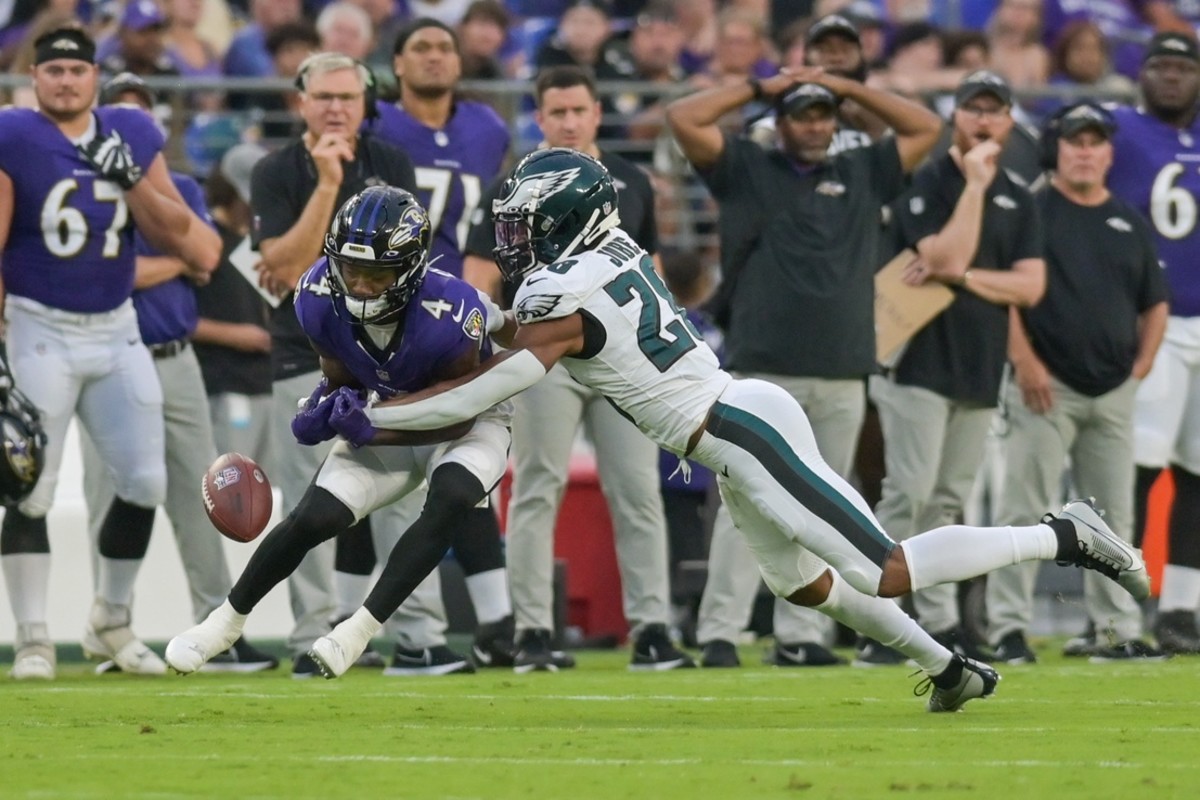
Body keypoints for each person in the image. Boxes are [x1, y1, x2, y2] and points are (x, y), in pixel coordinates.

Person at [317, 147, 1149, 712]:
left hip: (741, 427)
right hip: (724, 434)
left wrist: (376, 410)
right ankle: (948, 669)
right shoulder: (596, 263)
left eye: (524, 224)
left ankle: (1059, 535)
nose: (512, 239)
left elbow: (503, 377)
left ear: (563, 221)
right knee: (802, 586)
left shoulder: (563, 293)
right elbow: (515, 337)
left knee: (887, 568)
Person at [165, 186, 514, 681]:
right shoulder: (316, 296)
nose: (363, 286)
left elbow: (454, 413)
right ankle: (223, 624)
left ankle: (358, 630)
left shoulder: (451, 311)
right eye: (353, 271)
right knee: (312, 517)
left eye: (377, 274)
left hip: (469, 421)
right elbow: (340, 375)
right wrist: (323, 404)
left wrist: (372, 428)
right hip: (388, 416)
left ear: (411, 270)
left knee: (451, 496)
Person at [683, 29, 940, 670]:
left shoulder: (861, 169)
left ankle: (802, 638)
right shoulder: (747, 167)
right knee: (743, 506)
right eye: (804, 113)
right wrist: (757, 85)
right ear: (781, 121)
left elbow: (926, 127)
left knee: (826, 506)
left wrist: (846, 85)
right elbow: (681, 116)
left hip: (843, 368)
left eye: (824, 114)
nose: (816, 125)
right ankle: (721, 630)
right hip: (761, 369)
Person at [0, 26, 217, 680]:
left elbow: (185, 240)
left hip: (117, 326)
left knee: (145, 482)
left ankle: (110, 618)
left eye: (76, 69)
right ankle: (33, 636)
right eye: (53, 70)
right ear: (33, 79)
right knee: (29, 489)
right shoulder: (14, 133)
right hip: (40, 326)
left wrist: (128, 178)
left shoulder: (127, 131)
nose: (65, 80)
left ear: (95, 76)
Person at [464, 65, 691, 673]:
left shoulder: (630, 181)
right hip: (545, 352)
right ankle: (532, 630)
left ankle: (651, 628)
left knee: (639, 488)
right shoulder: (513, 184)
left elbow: (653, 272)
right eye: (556, 112)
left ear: (596, 114)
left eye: (577, 111)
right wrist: (486, 339)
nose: (568, 121)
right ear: (539, 118)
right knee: (537, 485)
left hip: (621, 354)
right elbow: (479, 272)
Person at [76, 75, 277, 674]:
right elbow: (109, 275)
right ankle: (114, 626)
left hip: (173, 356)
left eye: (142, 117)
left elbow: (209, 257)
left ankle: (217, 630)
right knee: (107, 495)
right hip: (106, 354)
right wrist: (172, 261)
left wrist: (153, 263)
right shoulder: (78, 186)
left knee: (206, 491)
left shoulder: (181, 186)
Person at [865, 70, 1047, 666]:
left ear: (1010, 121)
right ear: (955, 116)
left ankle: (937, 622)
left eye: (995, 111)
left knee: (946, 500)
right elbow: (945, 252)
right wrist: (973, 189)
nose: (984, 121)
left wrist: (964, 280)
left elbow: (1028, 285)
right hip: (918, 362)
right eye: (974, 109)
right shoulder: (928, 180)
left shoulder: (1020, 194)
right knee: (907, 495)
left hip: (977, 366)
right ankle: (877, 616)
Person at [247, 51, 419, 676]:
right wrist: (326, 183)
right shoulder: (275, 170)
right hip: (306, 355)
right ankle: (308, 634)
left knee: (403, 493)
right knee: (307, 501)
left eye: (348, 97)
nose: (338, 109)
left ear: (364, 102)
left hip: (394, 360)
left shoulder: (391, 164)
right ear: (301, 102)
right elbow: (289, 273)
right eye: (325, 98)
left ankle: (412, 635)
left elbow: (413, 266)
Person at [986, 102, 1170, 664]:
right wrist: (1024, 361)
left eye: (1095, 142)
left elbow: (1155, 302)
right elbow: (1006, 295)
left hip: (1111, 389)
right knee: (1023, 507)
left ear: (1109, 153)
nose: (1086, 151)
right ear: (1056, 150)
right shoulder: (1031, 211)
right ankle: (1007, 629)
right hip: (1046, 387)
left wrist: (1138, 370)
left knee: (1115, 517)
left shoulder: (1127, 219)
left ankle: (1114, 631)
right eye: (1075, 142)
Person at [369, 17, 518, 669]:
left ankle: (497, 626)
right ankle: (415, 634)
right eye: (420, 47)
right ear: (396, 63)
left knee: (468, 474)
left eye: (444, 48)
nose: (434, 57)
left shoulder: (486, 128)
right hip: (390, 319)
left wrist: (474, 304)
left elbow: (492, 225)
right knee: (391, 472)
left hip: (461, 317)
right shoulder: (375, 125)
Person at [1107, 32, 1200, 655]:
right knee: (1137, 469)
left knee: (1196, 474)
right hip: (1154, 321)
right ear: (1141, 75)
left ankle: (1183, 609)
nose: (1171, 77)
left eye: (1183, 67)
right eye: (1160, 66)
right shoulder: (1117, 131)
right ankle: (1123, 605)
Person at [192, 143, 274, 464]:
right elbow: (181, 320)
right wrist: (237, 335)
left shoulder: (257, 241)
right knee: (230, 485)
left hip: (266, 382)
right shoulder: (205, 241)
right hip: (223, 381)